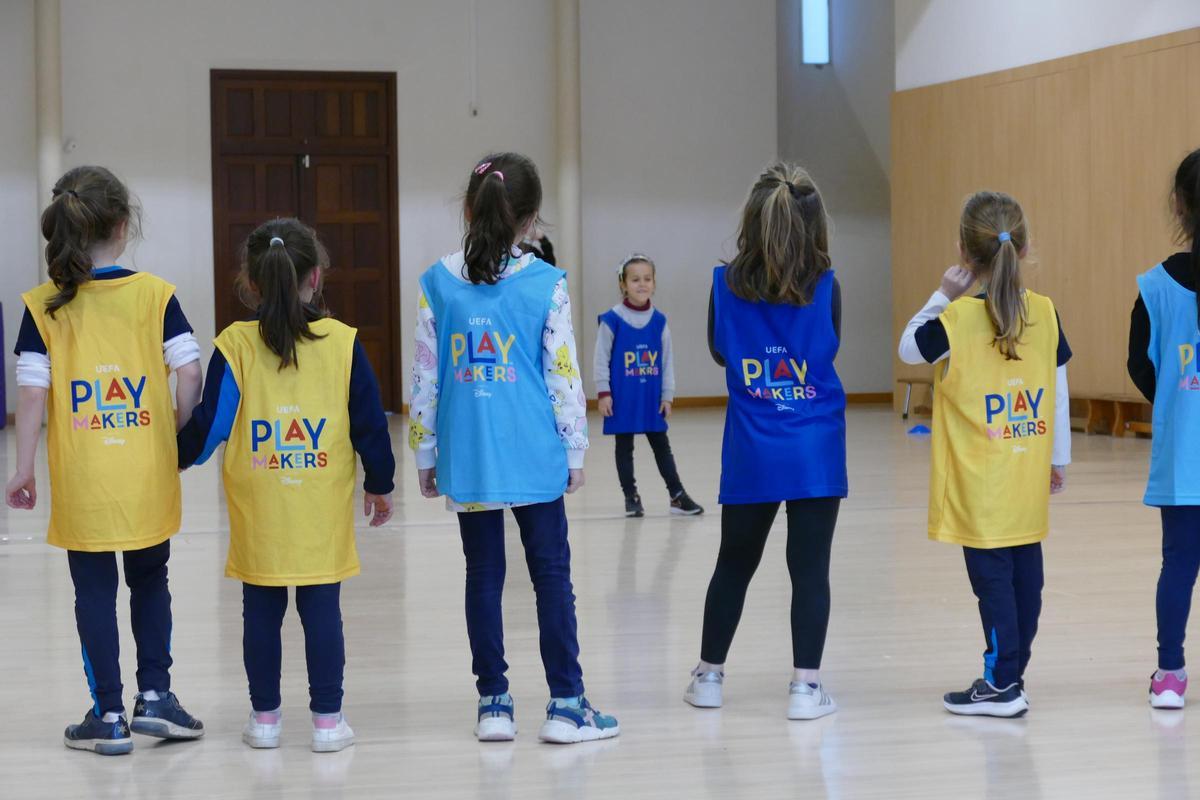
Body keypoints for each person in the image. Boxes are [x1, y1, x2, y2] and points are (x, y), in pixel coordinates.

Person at [409, 152, 618, 744]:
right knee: (552, 575)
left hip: (469, 456)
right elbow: (563, 375)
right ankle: (566, 704)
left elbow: (426, 378)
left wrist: (426, 457)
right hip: (534, 454)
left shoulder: (436, 282)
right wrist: (575, 452)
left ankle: (494, 704)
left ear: (469, 209)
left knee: (483, 575)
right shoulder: (546, 284)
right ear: (531, 222)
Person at [5, 166, 205, 755]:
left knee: (92, 591)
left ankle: (109, 714)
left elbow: (31, 392)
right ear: (123, 226)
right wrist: (177, 431)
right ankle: (157, 698)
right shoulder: (156, 295)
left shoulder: (43, 306)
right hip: (146, 474)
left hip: (84, 482)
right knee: (151, 580)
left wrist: (22, 469)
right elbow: (190, 371)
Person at [177, 218, 395, 752]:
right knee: (323, 614)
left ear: (251, 283)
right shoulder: (343, 343)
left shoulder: (235, 345)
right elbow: (369, 422)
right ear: (316, 278)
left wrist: (173, 460)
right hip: (319, 508)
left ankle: (265, 721)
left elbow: (212, 426)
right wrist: (380, 483)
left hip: (261, 511)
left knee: (261, 616)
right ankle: (327, 722)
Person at [899, 190, 1071, 718]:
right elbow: (1058, 387)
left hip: (979, 487)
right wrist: (1057, 458)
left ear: (963, 252)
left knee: (994, 588)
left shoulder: (956, 319)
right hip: (1027, 476)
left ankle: (1001, 683)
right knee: (1027, 583)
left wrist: (942, 295)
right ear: (1023, 247)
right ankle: (1012, 675)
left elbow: (909, 348)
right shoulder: (1044, 311)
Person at [684, 163, 846, 720]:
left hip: (753, 446)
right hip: (815, 449)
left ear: (752, 221)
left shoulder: (722, 286)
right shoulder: (828, 285)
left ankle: (708, 676)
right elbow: (831, 347)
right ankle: (805, 689)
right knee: (810, 570)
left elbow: (720, 351)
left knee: (733, 563)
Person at [1127, 147, 1200, 709]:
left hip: (1183, 459)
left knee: (1178, 565)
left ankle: (1170, 674)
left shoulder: (1155, 286)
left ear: (1178, 204)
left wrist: (1173, 404)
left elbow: (1139, 365)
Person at [594, 252, 703, 517]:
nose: (641, 284)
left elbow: (667, 362)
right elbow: (600, 359)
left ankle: (677, 495)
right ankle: (631, 497)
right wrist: (603, 392)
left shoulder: (659, 321)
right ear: (623, 284)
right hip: (623, 397)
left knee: (661, 445)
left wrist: (667, 395)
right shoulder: (612, 320)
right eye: (635, 280)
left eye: (647, 279)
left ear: (654, 283)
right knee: (624, 447)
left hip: (650, 396)